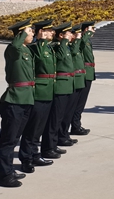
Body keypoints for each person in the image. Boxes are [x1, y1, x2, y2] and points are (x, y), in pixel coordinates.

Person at [0, 19, 34, 187]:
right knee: (8, 140)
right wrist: (22, 32)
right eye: (29, 31)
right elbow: (14, 46)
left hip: (25, 99)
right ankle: (4, 176)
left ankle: (9, 170)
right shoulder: (13, 50)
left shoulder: (26, 50)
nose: (32, 33)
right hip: (14, 100)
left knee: (15, 138)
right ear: (20, 34)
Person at [18, 19, 55, 174]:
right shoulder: (36, 47)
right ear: (41, 32)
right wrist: (40, 39)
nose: (51, 32)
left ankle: (35, 154)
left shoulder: (48, 47)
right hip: (39, 91)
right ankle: (26, 158)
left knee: (38, 128)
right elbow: (39, 56)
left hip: (47, 91)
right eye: (46, 30)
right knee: (32, 129)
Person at [41, 22, 74, 159]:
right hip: (59, 86)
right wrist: (64, 41)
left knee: (59, 118)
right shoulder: (57, 46)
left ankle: (53, 145)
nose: (71, 35)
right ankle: (48, 147)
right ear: (61, 35)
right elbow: (60, 57)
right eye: (68, 33)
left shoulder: (64, 46)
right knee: (54, 120)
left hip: (66, 85)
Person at [72, 20, 96, 135]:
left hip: (89, 72)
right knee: (79, 102)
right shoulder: (83, 40)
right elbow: (80, 45)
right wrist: (86, 34)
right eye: (92, 28)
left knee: (82, 101)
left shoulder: (87, 41)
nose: (94, 30)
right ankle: (75, 125)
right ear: (86, 30)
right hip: (84, 73)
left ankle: (76, 124)